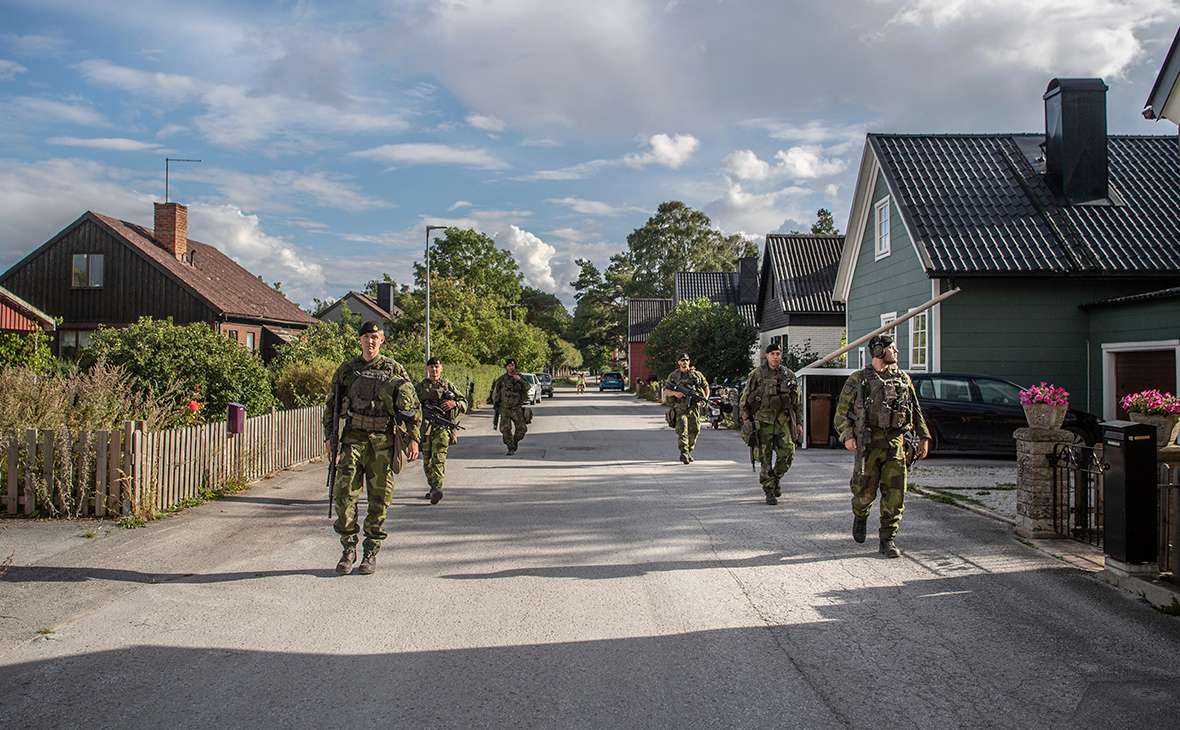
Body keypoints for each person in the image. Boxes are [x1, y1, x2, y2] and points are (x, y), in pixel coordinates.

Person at [323, 321, 420, 575]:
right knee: (344, 496)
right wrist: (328, 437)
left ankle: (370, 552)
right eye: (366, 336)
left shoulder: (394, 369)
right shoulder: (347, 369)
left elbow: (412, 406)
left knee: (379, 500)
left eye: (375, 337)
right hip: (353, 439)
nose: (370, 341)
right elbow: (331, 404)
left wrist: (413, 437)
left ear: (382, 340)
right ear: (361, 340)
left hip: (383, 443)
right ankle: (347, 549)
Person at [833, 334, 931, 558]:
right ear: (878, 351)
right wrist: (848, 436)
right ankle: (860, 515)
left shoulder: (902, 379)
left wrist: (924, 436)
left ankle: (888, 539)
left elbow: (915, 409)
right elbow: (841, 413)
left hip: (896, 444)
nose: (896, 352)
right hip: (869, 445)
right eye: (891, 348)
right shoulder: (859, 380)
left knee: (896, 495)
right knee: (864, 492)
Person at [739, 343, 803, 505]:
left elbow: (797, 402)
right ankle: (769, 491)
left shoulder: (788, 375)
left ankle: (776, 477)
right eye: (772, 354)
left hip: (783, 422)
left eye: (778, 353)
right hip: (763, 422)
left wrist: (799, 423)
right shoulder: (757, 375)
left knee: (788, 453)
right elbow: (745, 400)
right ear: (766, 356)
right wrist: (747, 422)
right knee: (764, 458)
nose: (776, 357)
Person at [415, 356, 467, 505]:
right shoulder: (420, 387)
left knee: (438, 459)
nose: (434, 369)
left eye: (437, 367)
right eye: (431, 367)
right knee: (427, 461)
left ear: (441, 369)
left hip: (442, 428)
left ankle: (437, 488)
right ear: (427, 369)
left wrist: (454, 403)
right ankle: (433, 487)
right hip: (425, 428)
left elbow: (464, 402)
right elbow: (411, 404)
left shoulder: (448, 386)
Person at [663, 353, 709, 464]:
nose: (685, 362)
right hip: (680, 408)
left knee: (695, 430)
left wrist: (705, 399)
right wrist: (675, 393)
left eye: (686, 360)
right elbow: (666, 391)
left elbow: (706, 387)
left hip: (693, 408)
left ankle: (689, 451)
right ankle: (683, 452)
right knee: (682, 430)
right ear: (679, 362)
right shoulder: (674, 376)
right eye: (682, 360)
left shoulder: (696, 375)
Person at [491, 358, 530, 455]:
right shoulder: (501, 379)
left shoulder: (520, 377)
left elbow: (528, 387)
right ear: (506, 367)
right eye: (509, 365)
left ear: (515, 366)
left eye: (512, 365)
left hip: (516, 408)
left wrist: (520, 380)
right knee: (505, 429)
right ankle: (510, 446)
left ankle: (515, 441)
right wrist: (496, 404)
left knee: (522, 429)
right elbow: (496, 393)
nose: (511, 367)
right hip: (505, 408)